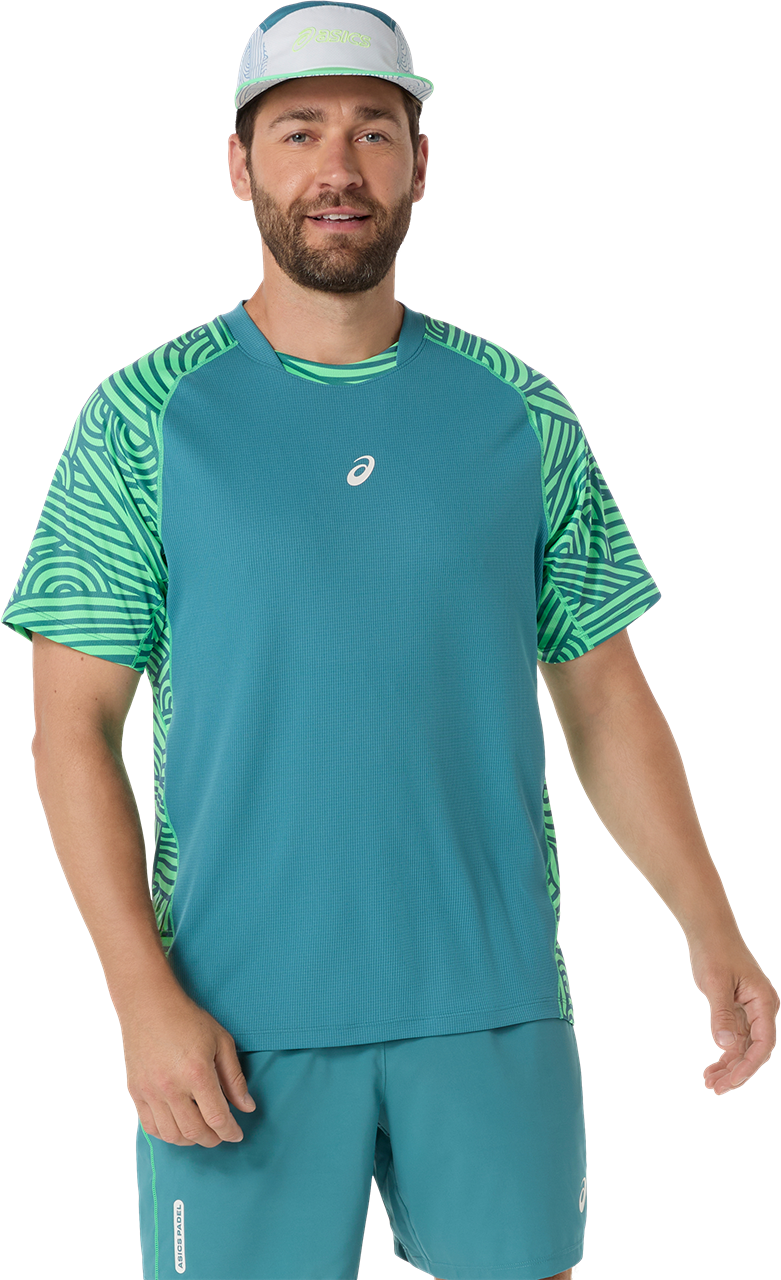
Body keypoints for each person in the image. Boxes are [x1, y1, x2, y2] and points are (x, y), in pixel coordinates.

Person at [2, 3, 778, 1278]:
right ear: (238, 164)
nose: (338, 167)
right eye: (298, 130)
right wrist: (142, 998)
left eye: (373, 131)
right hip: (232, 1021)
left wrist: (713, 924)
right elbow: (69, 731)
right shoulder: (143, 418)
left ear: (421, 165)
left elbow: (603, 696)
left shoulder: (518, 411)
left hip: (491, 1000)